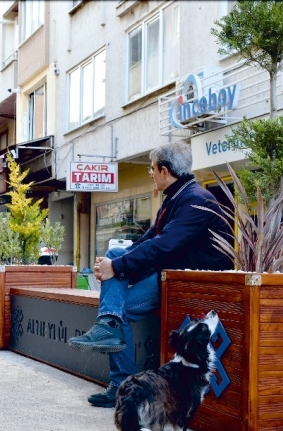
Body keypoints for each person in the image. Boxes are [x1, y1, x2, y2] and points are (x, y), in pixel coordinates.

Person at [67, 142, 233, 408]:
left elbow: (164, 245)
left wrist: (117, 266)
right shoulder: (177, 197)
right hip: (170, 276)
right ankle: (109, 331)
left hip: (190, 283)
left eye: (152, 169)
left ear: (164, 171)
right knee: (117, 269)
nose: (151, 174)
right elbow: (148, 240)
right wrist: (114, 262)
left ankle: (118, 366)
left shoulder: (196, 200)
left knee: (117, 305)